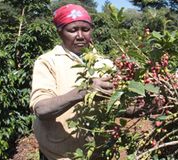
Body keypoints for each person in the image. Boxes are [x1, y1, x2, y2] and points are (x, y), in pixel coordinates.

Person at [29, 4, 113, 159]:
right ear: (60, 32)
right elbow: (41, 109)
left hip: (97, 152)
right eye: (73, 30)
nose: (80, 35)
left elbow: (119, 104)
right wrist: (84, 91)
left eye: (85, 29)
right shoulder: (48, 61)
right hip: (57, 154)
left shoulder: (105, 64)